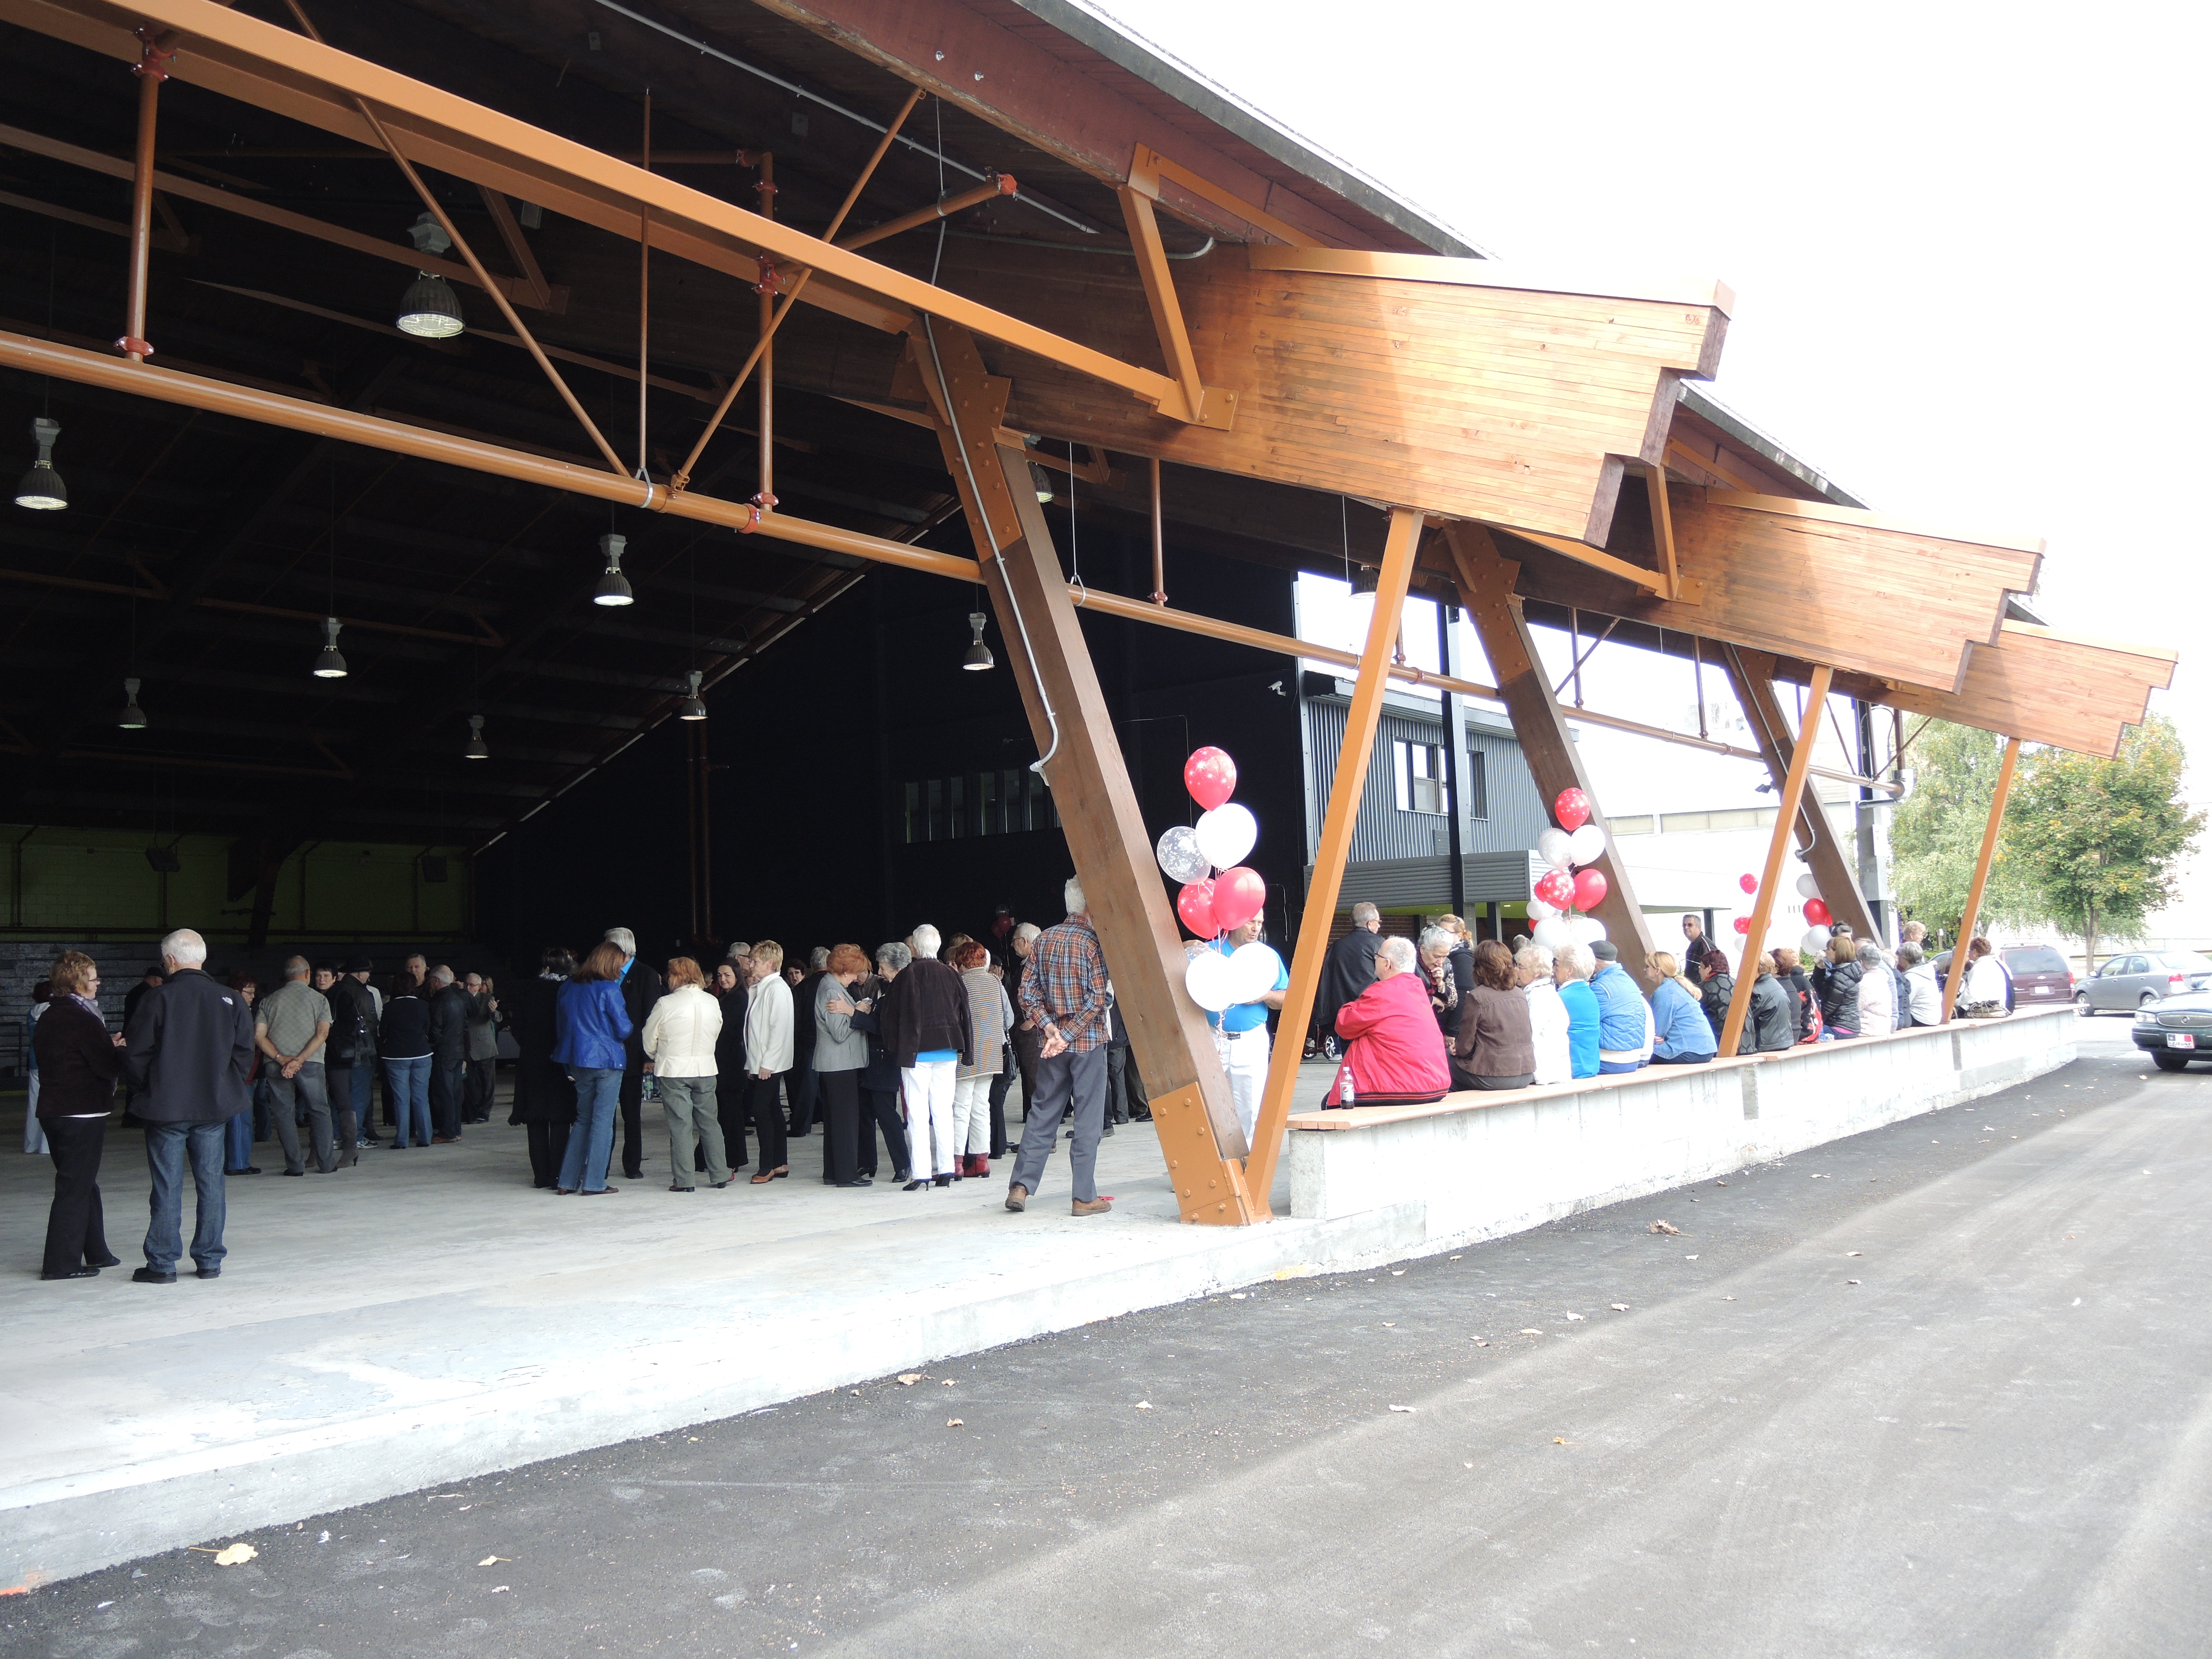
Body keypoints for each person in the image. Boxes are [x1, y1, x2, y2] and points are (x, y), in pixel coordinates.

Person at [123, 928, 253, 1282]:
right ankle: (209, 1260)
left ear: (169, 960)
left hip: (166, 1107)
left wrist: (145, 1090)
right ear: (202, 957)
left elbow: (136, 1055)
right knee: (211, 1183)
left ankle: (163, 1265)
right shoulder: (230, 999)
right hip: (213, 1107)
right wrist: (225, 1084)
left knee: (167, 1185)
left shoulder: (156, 999)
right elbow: (244, 1052)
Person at [1007, 880, 1112, 1214]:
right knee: (1088, 1119)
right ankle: (1083, 1196)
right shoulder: (1095, 942)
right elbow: (1098, 998)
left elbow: (1027, 994)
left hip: (1051, 1045)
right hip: (1088, 1043)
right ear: (1089, 906)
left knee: (1042, 1113)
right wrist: (1067, 1034)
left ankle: (1021, 1187)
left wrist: (1051, 1028)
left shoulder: (1045, 939)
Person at [33, 952, 124, 1280]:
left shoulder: (49, 1016)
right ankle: (61, 1264)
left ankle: (96, 1250)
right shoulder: (83, 1018)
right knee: (74, 1187)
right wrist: (119, 1049)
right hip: (81, 1112)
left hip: (55, 1110)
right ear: (77, 982)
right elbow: (105, 1066)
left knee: (84, 1183)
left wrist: (105, 1045)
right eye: (94, 977)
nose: (98, 983)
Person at [878, 924, 971, 1190]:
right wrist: (967, 1050)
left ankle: (921, 1173)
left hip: (917, 1051)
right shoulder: (951, 974)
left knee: (917, 1114)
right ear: (938, 946)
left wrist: (893, 1047)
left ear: (915, 948)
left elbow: (891, 1015)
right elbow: (965, 1012)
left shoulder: (908, 975)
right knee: (943, 1112)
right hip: (948, 1049)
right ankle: (946, 1170)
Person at [1326, 934, 1451, 1106]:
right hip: (1434, 1084)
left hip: (1396, 1088)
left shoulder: (1382, 992)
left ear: (1387, 964)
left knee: (1330, 1104)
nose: (1375, 958)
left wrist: (1350, 1006)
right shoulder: (1417, 989)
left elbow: (1344, 1025)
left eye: (1377, 955)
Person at [553, 940, 634, 1193]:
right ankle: (594, 1182)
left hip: (577, 1058)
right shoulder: (609, 989)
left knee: (583, 1119)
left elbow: (561, 1025)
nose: (622, 969)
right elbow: (623, 1029)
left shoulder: (568, 986)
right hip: (607, 1059)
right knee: (602, 1122)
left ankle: (567, 1181)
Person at [643, 956, 727, 1192]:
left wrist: (656, 1055)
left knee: (681, 1126)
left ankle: (685, 1180)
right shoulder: (712, 1001)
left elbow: (649, 1037)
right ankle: (720, 1174)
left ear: (677, 976)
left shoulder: (666, 1003)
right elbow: (716, 1031)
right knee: (710, 1123)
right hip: (705, 1068)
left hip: (674, 1069)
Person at [1204, 917, 1288, 1142]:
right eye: (1250, 922)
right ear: (1235, 921)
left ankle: (1248, 1164)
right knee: (1206, 1103)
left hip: (1251, 1040)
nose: (1256, 928)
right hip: (1213, 1037)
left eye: (1260, 922)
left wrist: (1265, 995)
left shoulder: (1266, 956)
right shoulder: (1211, 951)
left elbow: (1287, 997)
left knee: (1252, 1107)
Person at [256, 956, 340, 1175]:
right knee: (320, 1111)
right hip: (311, 1063)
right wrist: (300, 1060)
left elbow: (258, 1035)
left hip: (277, 1065)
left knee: (284, 1113)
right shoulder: (319, 1000)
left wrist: (282, 1059)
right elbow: (323, 1033)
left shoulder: (269, 1001)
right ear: (307, 974)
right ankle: (326, 1163)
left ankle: (295, 1167)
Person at [508, 947, 577, 1188]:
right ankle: (558, 1174)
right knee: (560, 1119)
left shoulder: (527, 989)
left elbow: (516, 1027)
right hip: (561, 1060)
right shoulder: (570, 990)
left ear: (545, 967)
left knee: (535, 1118)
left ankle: (540, 1176)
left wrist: (530, 1046)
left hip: (532, 1059)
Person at [848, 943, 912, 1185]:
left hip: (885, 1061)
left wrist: (853, 1013)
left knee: (886, 1114)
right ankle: (868, 1161)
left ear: (895, 968)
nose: (880, 972)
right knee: (865, 1111)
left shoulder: (901, 991)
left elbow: (882, 1027)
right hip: (873, 1060)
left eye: (883, 967)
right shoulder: (890, 988)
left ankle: (903, 1164)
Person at [813, 943, 874, 1187]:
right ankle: (847, 1175)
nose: (857, 977)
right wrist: (857, 1010)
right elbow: (839, 1032)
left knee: (835, 1120)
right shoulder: (832, 990)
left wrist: (853, 1009)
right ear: (845, 969)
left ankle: (833, 1172)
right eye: (854, 972)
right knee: (845, 1122)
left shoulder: (832, 985)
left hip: (834, 1064)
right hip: (839, 1064)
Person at [604, 928, 661, 1182]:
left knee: (631, 1115)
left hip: (634, 1056)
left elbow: (651, 1018)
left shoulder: (646, 975)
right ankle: (601, 1164)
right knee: (604, 1114)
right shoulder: (604, 975)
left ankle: (632, 1164)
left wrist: (650, 1057)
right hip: (605, 1055)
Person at [951, 940, 1011, 1176]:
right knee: (981, 1107)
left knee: (961, 1108)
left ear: (961, 961)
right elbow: (1007, 1017)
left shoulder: (960, 983)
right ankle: (981, 1161)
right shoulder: (995, 981)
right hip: (992, 1054)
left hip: (967, 1054)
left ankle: (956, 1163)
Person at [742, 941, 795, 1184]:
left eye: (754, 961)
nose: (750, 964)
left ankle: (767, 1166)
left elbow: (779, 1029)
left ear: (769, 963)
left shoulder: (776, 989)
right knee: (772, 1109)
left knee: (761, 1110)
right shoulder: (764, 987)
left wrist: (768, 1063)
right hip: (763, 1061)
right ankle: (779, 1162)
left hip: (769, 1063)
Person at [1452, 938, 1535, 1089]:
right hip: (1526, 1073)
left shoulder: (1477, 997)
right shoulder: (1520, 994)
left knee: (1446, 1062)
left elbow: (1464, 1048)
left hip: (1495, 1075)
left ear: (1479, 967)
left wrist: (1456, 1047)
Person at [1314, 901, 1383, 1052]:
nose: (1379, 926)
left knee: (1349, 1064)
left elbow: (1326, 981)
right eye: (1378, 922)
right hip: (1372, 1018)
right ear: (1370, 923)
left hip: (1345, 1018)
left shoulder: (1336, 947)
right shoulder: (1379, 945)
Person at [328, 957, 382, 1147]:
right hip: (361, 1052)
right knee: (359, 1095)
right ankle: (355, 1137)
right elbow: (371, 1022)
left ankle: (336, 1136)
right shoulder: (362, 993)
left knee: (339, 1096)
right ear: (360, 973)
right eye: (368, 973)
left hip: (337, 1052)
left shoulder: (334, 990)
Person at [380, 972, 434, 1149]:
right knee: (421, 1097)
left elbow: (384, 1032)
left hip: (396, 1056)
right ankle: (425, 1137)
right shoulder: (423, 1005)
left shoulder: (389, 1008)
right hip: (421, 1054)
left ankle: (402, 1139)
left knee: (401, 1099)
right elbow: (428, 1028)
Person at [711, 960, 750, 1173]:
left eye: (727, 975)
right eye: (719, 975)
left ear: (737, 976)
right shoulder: (728, 997)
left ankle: (733, 1158)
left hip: (730, 1062)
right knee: (727, 1112)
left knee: (731, 1112)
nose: (723, 979)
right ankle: (729, 1156)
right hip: (725, 1060)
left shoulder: (737, 998)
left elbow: (726, 1031)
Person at [785, 947, 829, 1139]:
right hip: (834, 1040)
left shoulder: (803, 987)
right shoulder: (836, 985)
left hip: (808, 1041)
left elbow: (796, 1018)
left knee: (807, 1086)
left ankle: (801, 1126)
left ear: (811, 966)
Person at [423, 966, 469, 1142]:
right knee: (456, 1093)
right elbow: (464, 1028)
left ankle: (447, 1132)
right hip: (457, 1051)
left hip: (443, 1053)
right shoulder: (459, 999)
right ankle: (456, 1129)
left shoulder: (437, 1002)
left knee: (444, 1094)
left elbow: (435, 1031)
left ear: (436, 981)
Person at [1587, 941, 1648, 1074]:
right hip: (1633, 1059)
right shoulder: (1629, 981)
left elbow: (1586, 1023)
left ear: (1594, 962)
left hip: (1609, 1061)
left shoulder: (1601, 987)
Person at [1647, 950, 1718, 1064]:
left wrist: (1655, 1037)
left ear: (1658, 970)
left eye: (1647, 966)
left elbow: (1658, 1032)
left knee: (1639, 1053)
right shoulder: (1679, 987)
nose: (1644, 969)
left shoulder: (1664, 992)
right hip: (1706, 1050)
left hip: (1687, 1051)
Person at [1515, 943, 1572, 1085]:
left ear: (1536, 973)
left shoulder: (1539, 996)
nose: (1515, 970)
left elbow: (1527, 1034)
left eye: (1521, 967)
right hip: (1551, 1069)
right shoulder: (1542, 991)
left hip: (1545, 1072)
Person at [1006, 922, 1043, 1127]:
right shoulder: (1028, 963)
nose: (1013, 945)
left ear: (1025, 942)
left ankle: (1045, 1136)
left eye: (1014, 941)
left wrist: (1030, 1023)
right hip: (1023, 1032)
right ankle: (1033, 1131)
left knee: (1034, 1081)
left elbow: (1045, 995)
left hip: (1031, 1032)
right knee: (1028, 1080)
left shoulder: (1037, 963)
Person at [1554, 942, 1602, 1079]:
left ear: (1570, 971)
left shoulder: (1561, 998)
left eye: (1557, 965)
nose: (1554, 969)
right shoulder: (1591, 994)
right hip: (1591, 1066)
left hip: (1570, 1069)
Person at [462, 972, 501, 1123]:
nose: (468, 987)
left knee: (487, 1082)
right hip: (467, 1046)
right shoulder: (461, 997)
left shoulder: (486, 999)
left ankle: (485, 1112)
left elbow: (497, 1018)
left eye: (472, 985)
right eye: (467, 984)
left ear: (479, 987)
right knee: (469, 1082)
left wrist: (493, 1012)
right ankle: (471, 1112)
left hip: (484, 1046)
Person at [1420, 926, 1463, 1046]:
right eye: (1437, 956)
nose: (1441, 961)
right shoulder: (1410, 965)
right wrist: (1433, 999)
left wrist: (1441, 984)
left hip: (1439, 1027)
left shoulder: (1447, 965)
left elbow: (1453, 1003)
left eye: (1445, 956)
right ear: (1423, 950)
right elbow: (1405, 999)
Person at [23, 977, 50, 1156]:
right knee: (52, 1103)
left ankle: (30, 1144)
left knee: (34, 1103)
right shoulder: (54, 1011)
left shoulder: (32, 1013)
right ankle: (46, 1146)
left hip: (34, 1062)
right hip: (51, 1062)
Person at [1818, 935, 1864, 1039]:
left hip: (1839, 1028)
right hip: (1851, 1026)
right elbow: (1822, 990)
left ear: (1836, 952)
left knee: (1806, 1033)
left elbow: (1828, 1008)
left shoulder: (1839, 977)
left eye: (1828, 949)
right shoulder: (1849, 971)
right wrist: (1820, 969)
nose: (1826, 952)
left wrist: (1814, 1022)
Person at [1748, 953, 1797, 1052]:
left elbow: (1746, 1020)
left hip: (1768, 1045)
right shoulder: (1776, 984)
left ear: (1757, 968)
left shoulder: (1757, 991)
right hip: (1784, 1041)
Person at [1771, 946, 1817, 1043]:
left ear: (1776, 968)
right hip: (1813, 1029)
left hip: (1804, 1033)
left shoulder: (1791, 983)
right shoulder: (1800, 980)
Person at [1959, 936, 2010, 1018]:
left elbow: (1970, 994)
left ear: (1975, 951)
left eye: (1970, 951)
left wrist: (1957, 1002)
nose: (1968, 953)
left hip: (1985, 1010)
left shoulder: (1978, 967)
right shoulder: (1995, 964)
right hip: (1999, 1008)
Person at [1855, 940, 1898, 1037]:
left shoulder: (1865, 983)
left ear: (1861, 963)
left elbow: (1855, 1007)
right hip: (1885, 1026)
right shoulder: (1883, 978)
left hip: (1869, 1030)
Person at [1898, 942, 1942, 1028]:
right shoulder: (1926, 971)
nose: (1899, 958)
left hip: (1921, 1019)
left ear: (1905, 959)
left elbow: (1905, 1002)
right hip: (1934, 1017)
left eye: (1900, 956)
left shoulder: (1911, 977)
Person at [1681, 914, 1715, 986]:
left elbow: (1714, 969)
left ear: (1699, 927)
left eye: (1690, 925)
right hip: (1692, 989)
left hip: (1702, 990)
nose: (1686, 927)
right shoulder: (1693, 944)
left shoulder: (1705, 945)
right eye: (1684, 925)